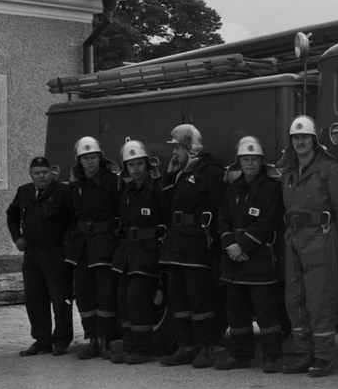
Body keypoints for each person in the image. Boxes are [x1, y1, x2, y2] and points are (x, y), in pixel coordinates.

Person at [280, 115, 338, 377]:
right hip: (295, 239)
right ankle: (304, 354)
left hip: (320, 238)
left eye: (305, 137)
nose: (300, 142)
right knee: (295, 300)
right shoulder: (288, 171)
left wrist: (333, 242)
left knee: (320, 300)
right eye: (296, 138)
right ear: (291, 142)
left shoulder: (329, 169)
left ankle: (324, 357)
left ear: (314, 140)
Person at [158, 124, 226, 369]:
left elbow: (220, 210)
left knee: (200, 301)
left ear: (189, 147)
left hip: (198, 246)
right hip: (176, 246)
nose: (174, 152)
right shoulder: (181, 172)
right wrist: (169, 175)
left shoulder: (210, 171)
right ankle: (186, 347)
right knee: (179, 301)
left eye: (177, 147)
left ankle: (205, 349)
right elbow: (165, 206)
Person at [216, 136, 284, 373]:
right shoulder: (233, 190)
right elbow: (222, 221)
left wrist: (241, 247)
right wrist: (230, 247)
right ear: (239, 163)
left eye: (254, 160)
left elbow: (266, 223)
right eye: (246, 159)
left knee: (266, 313)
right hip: (234, 262)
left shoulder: (270, 189)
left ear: (261, 162)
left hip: (259, 259)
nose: (250, 164)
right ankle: (239, 356)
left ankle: (272, 358)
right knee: (236, 313)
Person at [6, 155, 74, 356]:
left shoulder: (63, 191)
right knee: (34, 298)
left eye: (45, 172)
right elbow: (12, 216)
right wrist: (17, 237)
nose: (41, 176)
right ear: (31, 174)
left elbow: (74, 219)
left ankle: (61, 341)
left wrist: (67, 245)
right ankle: (41, 341)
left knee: (60, 298)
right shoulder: (24, 192)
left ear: (51, 173)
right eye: (37, 173)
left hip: (55, 252)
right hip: (32, 254)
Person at [110, 139, 168, 365]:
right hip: (128, 252)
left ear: (147, 164)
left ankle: (143, 350)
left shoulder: (157, 189)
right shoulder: (127, 191)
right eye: (130, 165)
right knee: (123, 298)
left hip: (149, 250)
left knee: (137, 299)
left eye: (139, 164)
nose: (135, 169)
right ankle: (130, 346)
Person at [64, 136, 122, 360]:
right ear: (79, 160)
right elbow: (71, 213)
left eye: (94, 157)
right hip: (82, 247)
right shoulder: (75, 184)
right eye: (86, 158)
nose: (90, 162)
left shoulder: (110, 181)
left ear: (100, 158)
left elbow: (119, 211)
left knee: (105, 294)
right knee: (85, 295)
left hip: (104, 243)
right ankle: (92, 340)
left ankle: (106, 341)